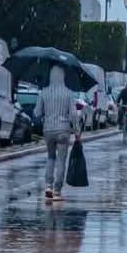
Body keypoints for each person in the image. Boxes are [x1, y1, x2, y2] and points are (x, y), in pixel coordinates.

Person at [33, 65, 79, 200]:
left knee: (51, 157)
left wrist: (45, 112)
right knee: (61, 160)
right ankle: (57, 190)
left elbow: (37, 113)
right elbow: (73, 114)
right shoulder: (68, 93)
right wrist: (77, 130)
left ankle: (48, 185)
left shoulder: (44, 92)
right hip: (63, 130)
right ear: (63, 76)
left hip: (48, 130)